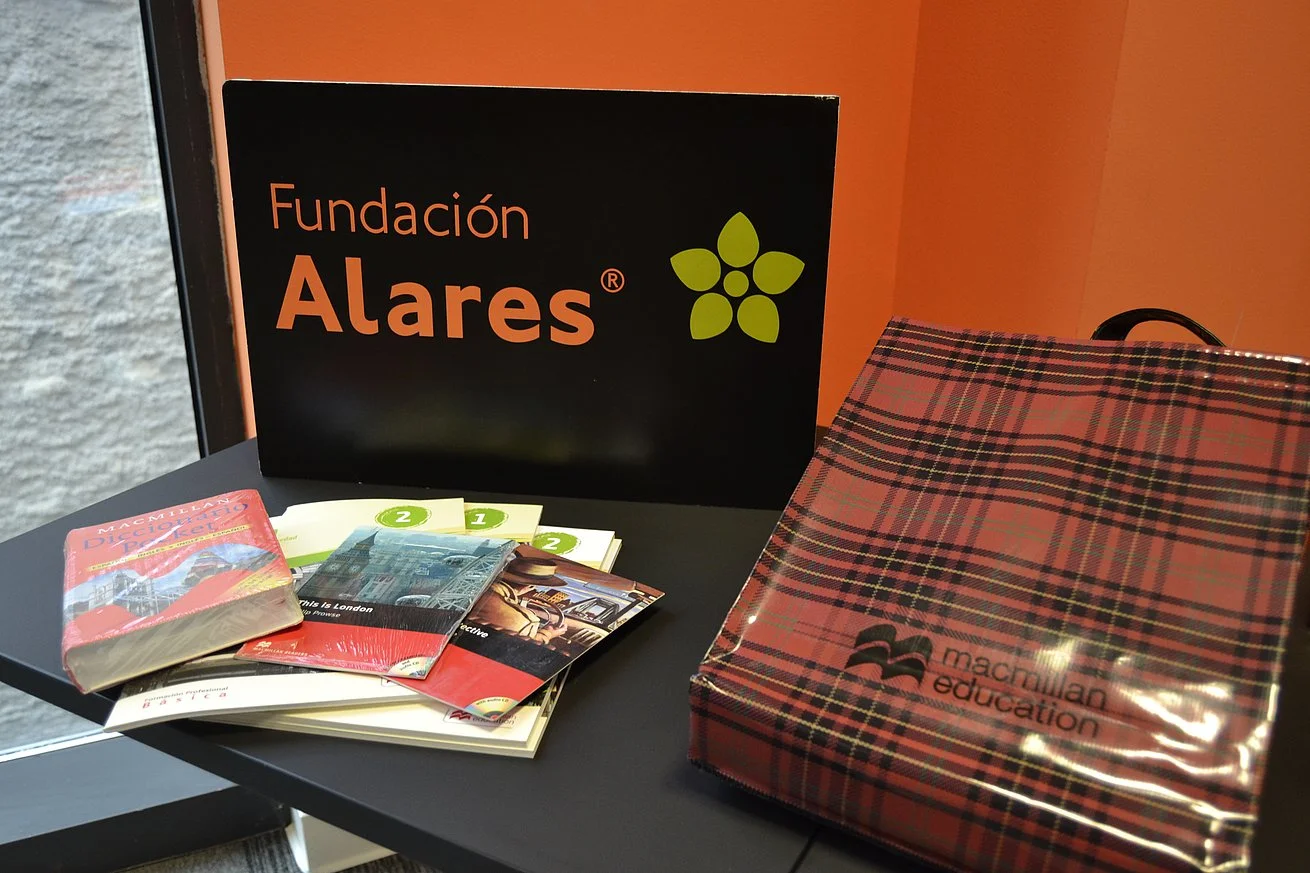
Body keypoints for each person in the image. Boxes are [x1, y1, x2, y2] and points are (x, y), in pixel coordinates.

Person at [469, 554, 569, 643]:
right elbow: (523, 645)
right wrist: (548, 634)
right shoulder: (526, 620)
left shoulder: (471, 588)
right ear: (530, 586)